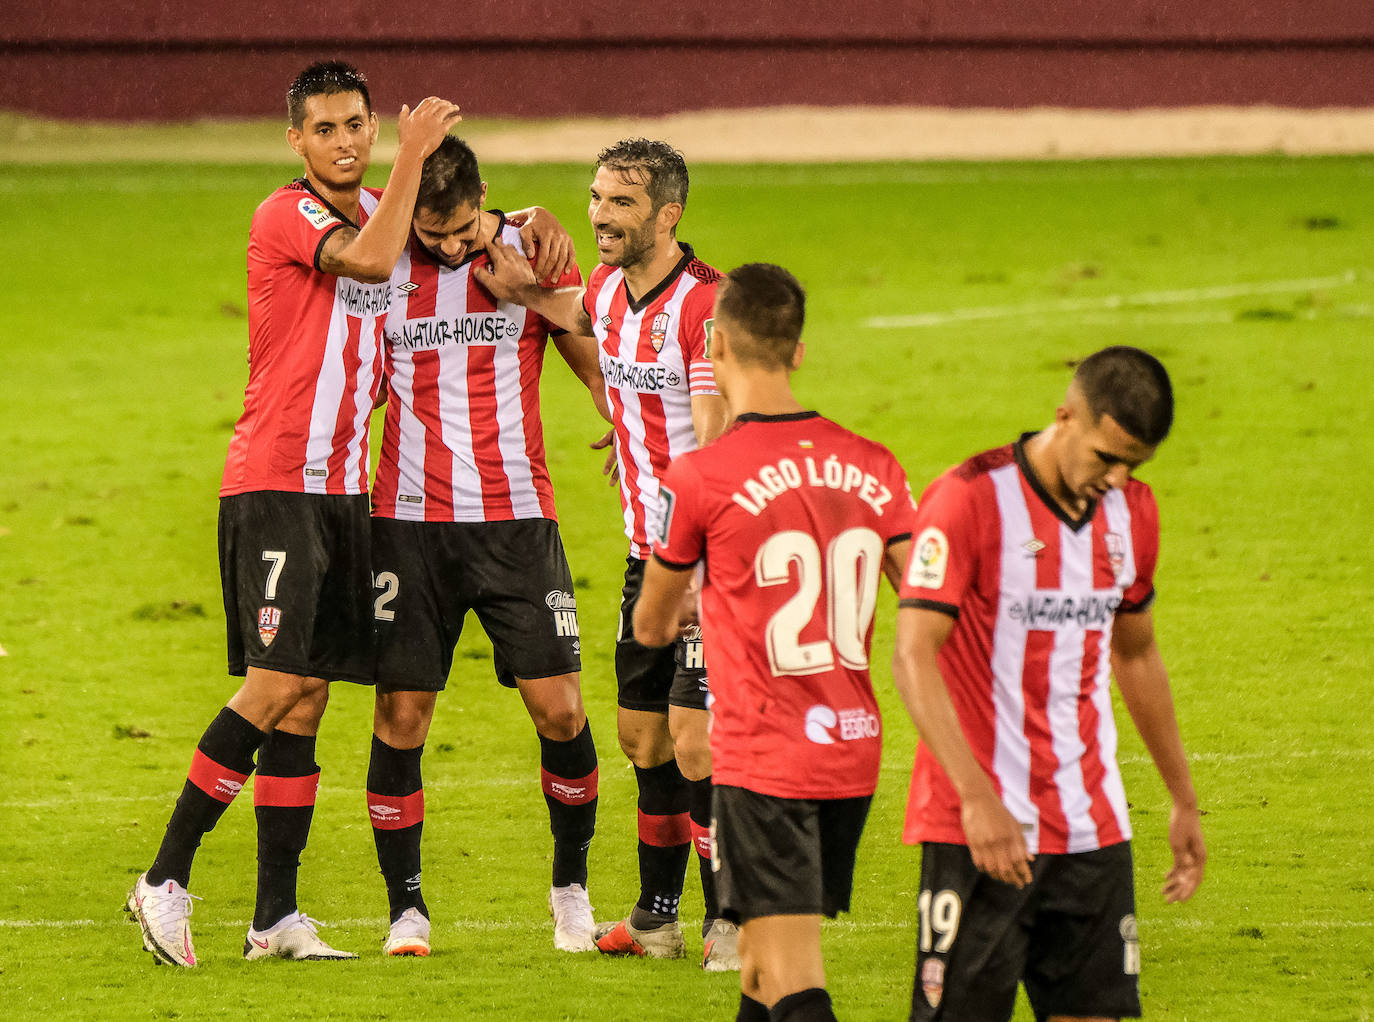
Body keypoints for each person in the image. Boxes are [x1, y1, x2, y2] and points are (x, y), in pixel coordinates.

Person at [123, 62, 565, 967]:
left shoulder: (391, 214)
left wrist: (530, 219)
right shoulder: (287, 212)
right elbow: (369, 258)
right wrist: (411, 157)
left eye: (358, 124)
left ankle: (275, 918)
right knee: (276, 681)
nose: (346, 142)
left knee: (310, 697)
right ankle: (165, 877)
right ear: (297, 141)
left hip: (342, 491)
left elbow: (455, 222)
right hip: (276, 479)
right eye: (326, 129)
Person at [633, 263, 919, 1022]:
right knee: (757, 968)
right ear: (798, 351)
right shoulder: (875, 465)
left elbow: (652, 627)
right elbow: (927, 601)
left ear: (716, 344)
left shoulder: (699, 475)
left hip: (766, 759)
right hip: (853, 749)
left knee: (794, 979)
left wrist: (701, 594)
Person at [478, 139, 736, 968]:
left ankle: (732, 918)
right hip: (644, 555)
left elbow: (718, 443)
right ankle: (658, 917)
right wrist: (508, 228)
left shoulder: (705, 307)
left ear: (669, 214)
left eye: (619, 204)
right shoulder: (606, 294)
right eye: (593, 199)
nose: (599, 216)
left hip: (708, 563)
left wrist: (696, 553)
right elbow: (560, 307)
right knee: (643, 740)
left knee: (697, 742)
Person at [891, 345, 1207, 1021]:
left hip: (1093, 827)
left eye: (1136, 464)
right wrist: (977, 800)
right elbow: (913, 655)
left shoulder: (1133, 514)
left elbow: (1138, 654)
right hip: (979, 830)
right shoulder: (969, 498)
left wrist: (1182, 796)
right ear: (1065, 416)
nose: (1118, 479)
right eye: (1105, 456)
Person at [365, 135, 607, 958]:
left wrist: (537, 290)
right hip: (407, 525)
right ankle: (406, 909)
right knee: (402, 715)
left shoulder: (528, 252)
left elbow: (600, 371)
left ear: (485, 198)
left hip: (517, 521)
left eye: (464, 227)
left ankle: (570, 889)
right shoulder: (380, 262)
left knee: (563, 708)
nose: (453, 246)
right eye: (434, 236)